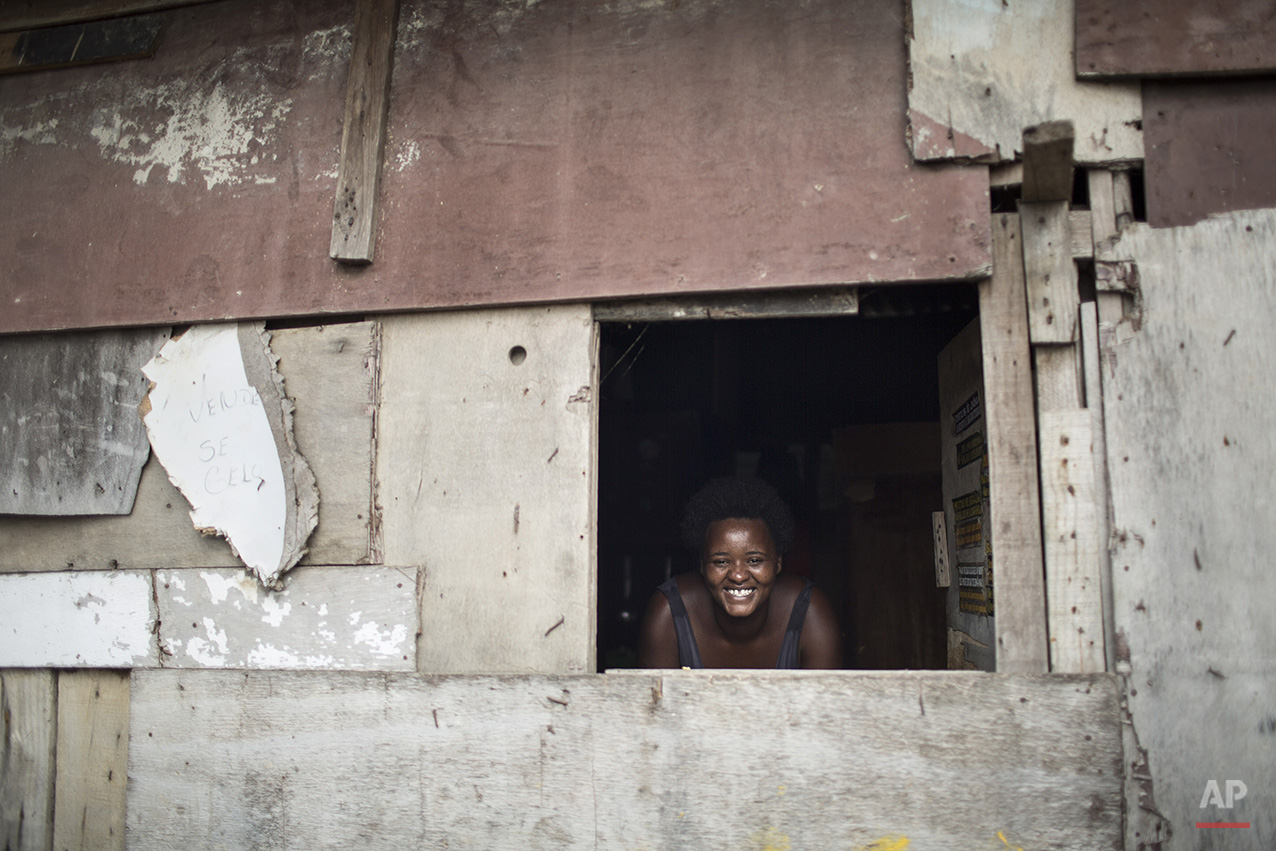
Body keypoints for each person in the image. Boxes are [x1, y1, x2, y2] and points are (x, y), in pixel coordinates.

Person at [638, 477, 843, 669]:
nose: (738, 576)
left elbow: (828, 704)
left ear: (778, 562)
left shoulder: (808, 612)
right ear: (702, 565)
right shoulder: (670, 612)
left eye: (754, 560)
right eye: (721, 561)